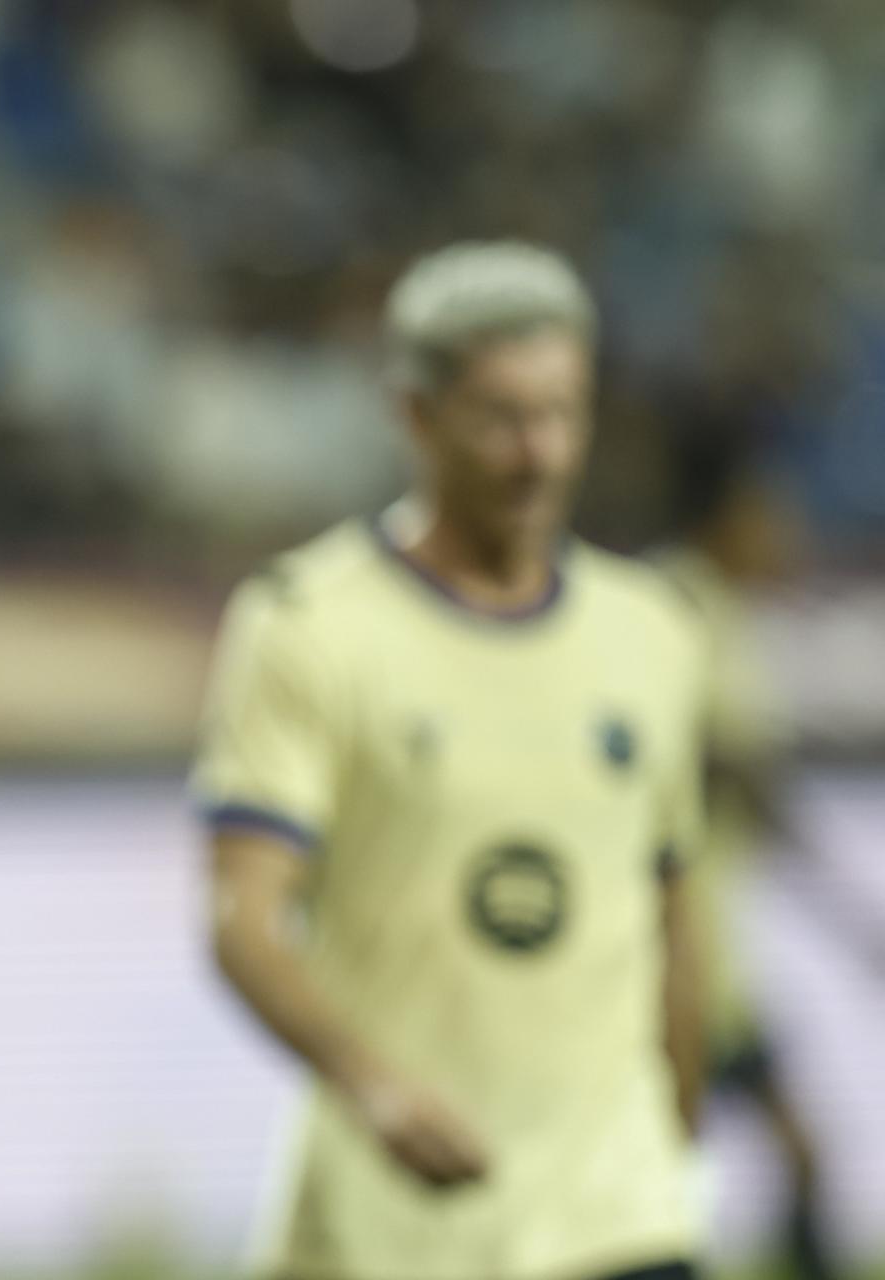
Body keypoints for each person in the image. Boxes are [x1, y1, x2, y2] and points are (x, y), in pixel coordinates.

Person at [194, 242, 707, 1280]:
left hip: (621, 1211)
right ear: (417, 415)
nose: (540, 451)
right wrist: (371, 1083)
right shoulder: (309, 624)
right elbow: (242, 917)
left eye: (563, 412)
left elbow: (671, 911)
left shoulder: (651, 629)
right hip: (398, 1225)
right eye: (503, 417)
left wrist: (676, 1136)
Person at [658, 453, 841, 1280]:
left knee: (795, 1151)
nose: (783, 535)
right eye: (768, 513)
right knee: (679, 1162)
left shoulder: (721, 613)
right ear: (727, 514)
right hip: (664, 950)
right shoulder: (675, 604)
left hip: (710, 949)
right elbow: (709, 754)